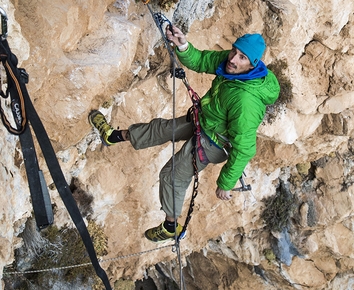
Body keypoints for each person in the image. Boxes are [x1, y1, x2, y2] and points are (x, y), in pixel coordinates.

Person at [89, 26, 280, 242]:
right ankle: (112, 137)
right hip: (207, 119)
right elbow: (201, 61)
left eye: (242, 57)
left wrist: (226, 182)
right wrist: (182, 44)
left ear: (252, 64)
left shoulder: (246, 102)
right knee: (160, 129)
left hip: (215, 143)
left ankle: (170, 226)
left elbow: (245, 148)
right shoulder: (232, 64)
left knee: (171, 176)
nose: (234, 59)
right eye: (234, 51)